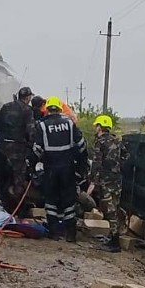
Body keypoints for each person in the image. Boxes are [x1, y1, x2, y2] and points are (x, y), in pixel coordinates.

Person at [33, 96, 87, 242]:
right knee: (68, 200)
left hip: (50, 168)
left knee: (51, 200)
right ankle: (70, 234)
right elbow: (81, 145)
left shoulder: (42, 126)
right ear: (60, 108)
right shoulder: (69, 123)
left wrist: (33, 165)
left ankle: (54, 232)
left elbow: (37, 150)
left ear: (47, 109)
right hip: (68, 168)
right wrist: (82, 166)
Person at [0, 87, 35, 212]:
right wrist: (32, 147)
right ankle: (16, 209)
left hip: (2, 148)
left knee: (0, 177)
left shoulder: (6, 107)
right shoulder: (28, 110)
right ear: (28, 98)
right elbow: (31, 131)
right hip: (18, 150)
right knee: (18, 180)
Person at [89, 114, 126, 253]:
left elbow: (96, 163)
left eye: (96, 125)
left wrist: (93, 180)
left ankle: (115, 242)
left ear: (100, 127)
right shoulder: (117, 141)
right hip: (117, 179)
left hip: (106, 180)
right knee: (115, 207)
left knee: (110, 210)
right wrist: (117, 167)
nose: (95, 128)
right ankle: (112, 237)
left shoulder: (100, 142)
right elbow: (125, 156)